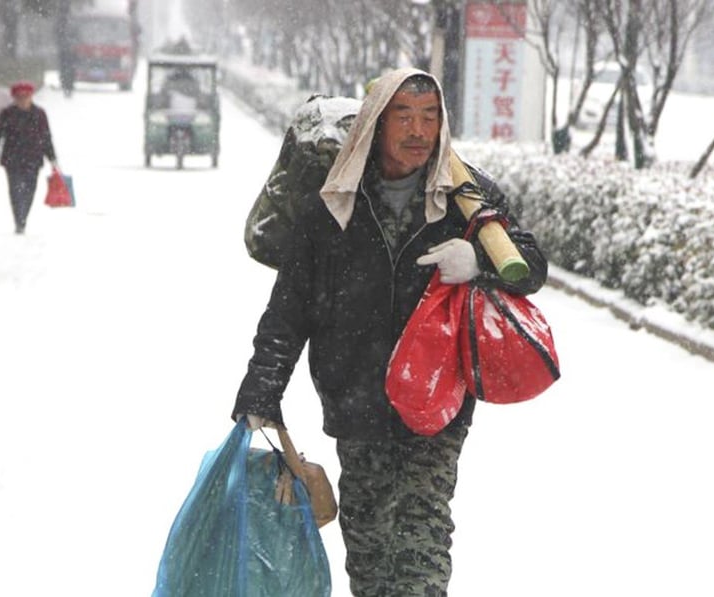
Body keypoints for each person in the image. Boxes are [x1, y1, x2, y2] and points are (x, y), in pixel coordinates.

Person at [232, 68, 548, 596]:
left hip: (436, 405)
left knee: (422, 548)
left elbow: (531, 265)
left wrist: (478, 261)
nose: (418, 131)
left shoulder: (467, 200)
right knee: (371, 551)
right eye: (404, 116)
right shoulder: (332, 205)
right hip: (356, 400)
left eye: (430, 117)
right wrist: (262, 389)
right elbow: (287, 312)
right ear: (377, 123)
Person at [0, 81, 58, 234]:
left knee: (30, 190)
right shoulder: (7, 113)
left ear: (31, 96)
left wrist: (53, 159)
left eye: (26, 96)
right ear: (14, 97)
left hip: (34, 159)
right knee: (15, 191)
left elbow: (46, 137)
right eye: (20, 97)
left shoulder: (40, 114)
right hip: (12, 160)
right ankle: (19, 220)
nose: (23, 100)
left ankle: (23, 217)